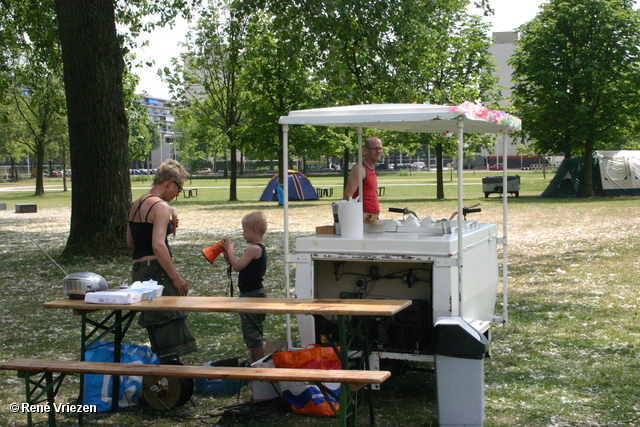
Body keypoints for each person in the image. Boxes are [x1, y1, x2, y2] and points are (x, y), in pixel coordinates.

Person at [126, 159, 198, 361]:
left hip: (139, 271)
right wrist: (175, 278)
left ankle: (169, 379)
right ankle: (174, 379)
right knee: (170, 325)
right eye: (179, 188)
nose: (177, 194)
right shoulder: (161, 206)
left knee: (156, 325)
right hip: (157, 272)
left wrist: (167, 227)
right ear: (169, 183)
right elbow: (158, 245)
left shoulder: (136, 204)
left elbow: (131, 242)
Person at [221, 211, 268, 363]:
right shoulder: (258, 248)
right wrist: (230, 258)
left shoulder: (254, 249)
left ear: (254, 230)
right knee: (252, 333)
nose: (243, 234)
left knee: (252, 335)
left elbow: (238, 266)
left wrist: (230, 249)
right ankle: (253, 365)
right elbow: (239, 264)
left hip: (252, 296)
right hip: (254, 294)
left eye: (244, 230)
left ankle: (260, 369)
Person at [343, 136, 383, 219]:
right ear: (366, 150)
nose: (378, 151)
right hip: (363, 216)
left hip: (372, 216)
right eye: (375, 149)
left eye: (380, 148)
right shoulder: (360, 169)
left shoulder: (371, 167)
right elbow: (347, 195)